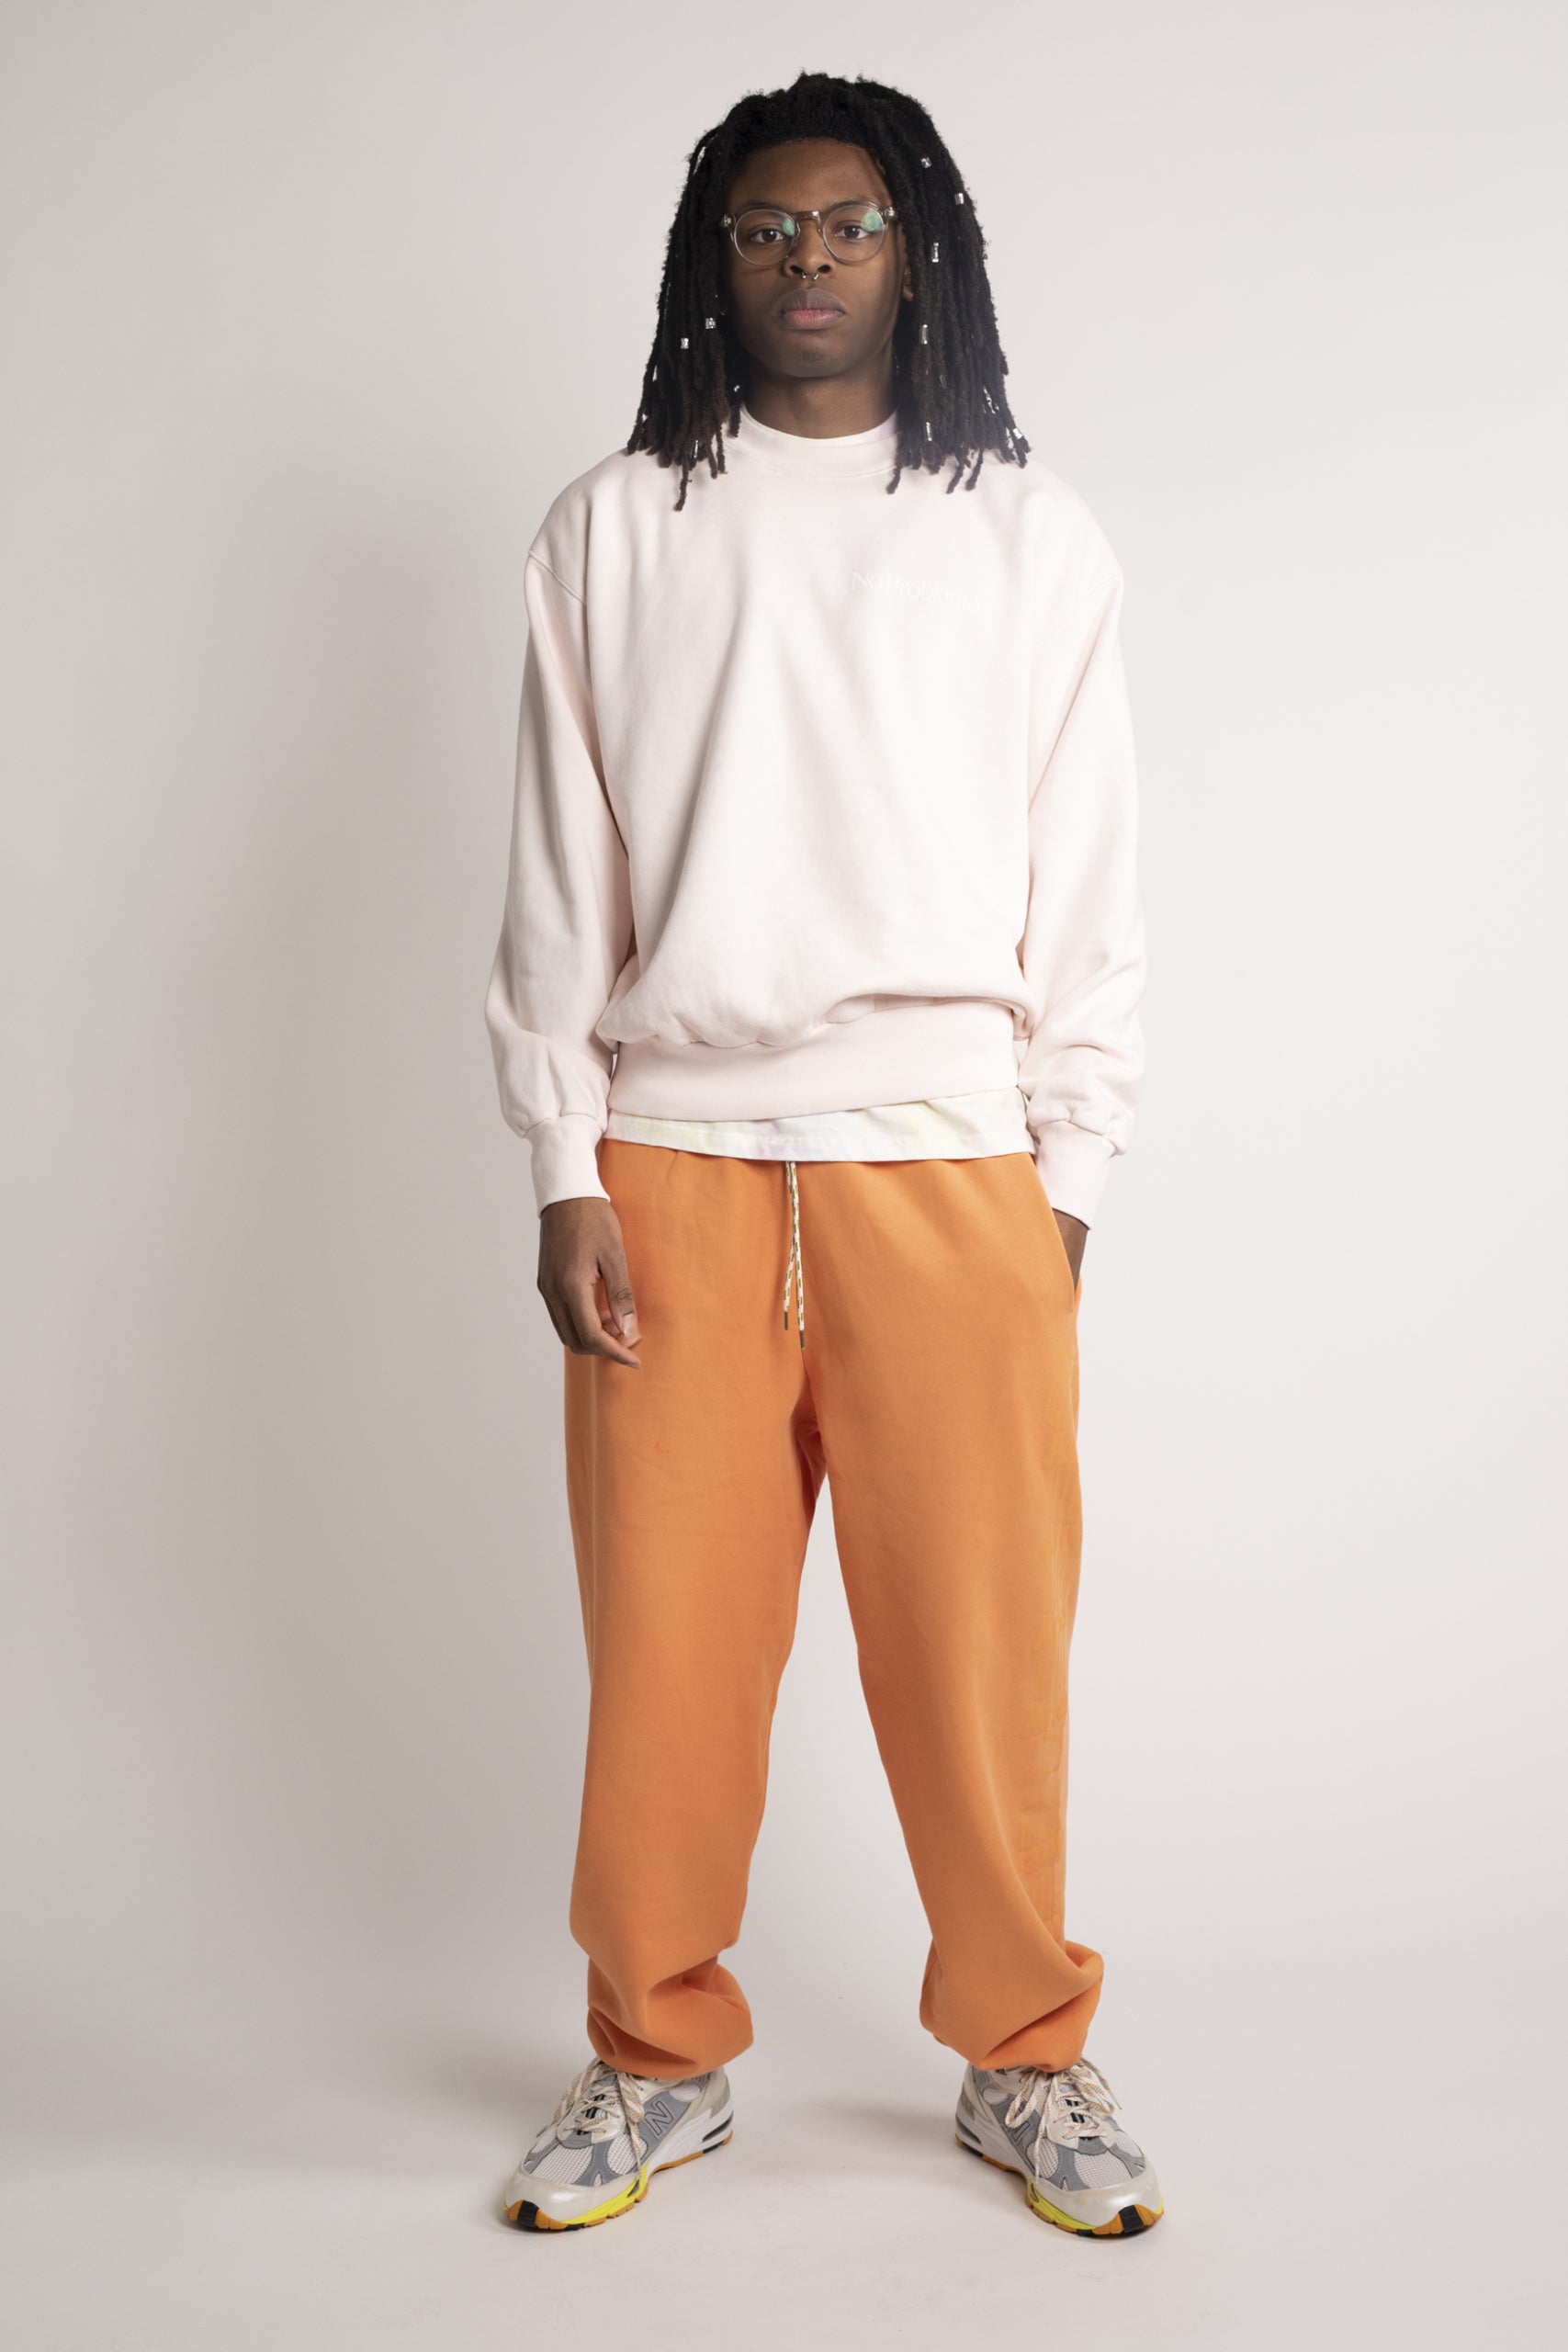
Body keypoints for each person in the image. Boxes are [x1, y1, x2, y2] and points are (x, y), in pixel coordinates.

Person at [484, 70, 1158, 2239]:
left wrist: (1065, 1175)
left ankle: (1024, 2050)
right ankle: (651, 2055)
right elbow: (558, 872)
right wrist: (560, 1159)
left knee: (978, 1651)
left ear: (918, 253)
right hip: (670, 1164)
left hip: (948, 1168)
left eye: (850, 224)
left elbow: (1088, 878)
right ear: (714, 256)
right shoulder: (613, 528)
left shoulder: (1024, 535)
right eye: (765, 227)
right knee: (666, 1657)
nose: (806, 262)